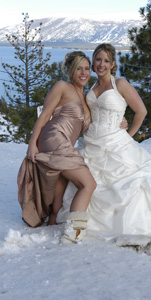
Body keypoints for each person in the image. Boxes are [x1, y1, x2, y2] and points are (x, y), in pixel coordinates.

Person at [57, 43, 151, 250]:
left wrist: (127, 134)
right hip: (92, 144)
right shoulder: (91, 88)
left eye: (106, 60)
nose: (101, 64)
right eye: (98, 59)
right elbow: (87, 116)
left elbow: (141, 111)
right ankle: (75, 224)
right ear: (93, 61)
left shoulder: (120, 84)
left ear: (113, 64)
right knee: (87, 182)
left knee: (130, 186)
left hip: (118, 145)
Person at [17, 51, 97, 243]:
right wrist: (32, 144)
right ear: (70, 70)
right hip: (53, 137)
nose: (84, 72)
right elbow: (45, 116)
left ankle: (52, 224)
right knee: (88, 184)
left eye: (86, 68)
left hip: (66, 144)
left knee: (58, 201)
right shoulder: (62, 87)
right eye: (79, 68)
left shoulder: (86, 97)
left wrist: (121, 121)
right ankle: (74, 231)